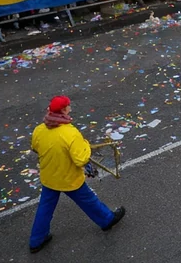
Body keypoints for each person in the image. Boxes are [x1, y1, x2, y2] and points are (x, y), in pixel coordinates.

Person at [28, 95, 126, 253]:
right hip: (69, 179)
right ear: (63, 110)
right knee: (88, 200)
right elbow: (81, 159)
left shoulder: (39, 130)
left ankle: (36, 240)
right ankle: (107, 220)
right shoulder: (70, 133)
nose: (70, 109)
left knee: (45, 208)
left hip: (49, 177)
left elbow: (35, 147)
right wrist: (86, 145)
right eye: (68, 107)